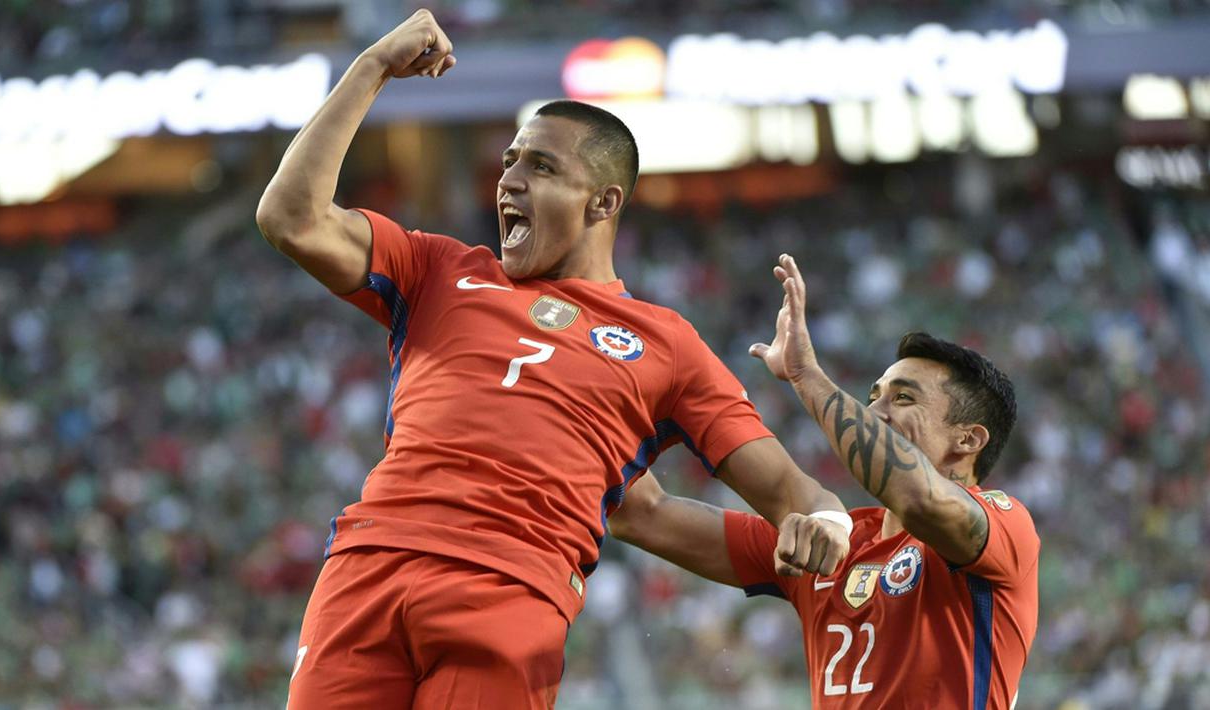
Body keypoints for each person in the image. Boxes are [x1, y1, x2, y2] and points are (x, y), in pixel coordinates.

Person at [255, 10, 852, 709]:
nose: (509, 179)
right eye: (508, 160)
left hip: (510, 592)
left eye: (541, 166)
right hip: (369, 567)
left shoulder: (666, 344)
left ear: (603, 202)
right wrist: (372, 68)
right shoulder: (438, 267)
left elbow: (793, 496)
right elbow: (290, 219)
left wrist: (828, 527)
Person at [612, 254, 1040, 709]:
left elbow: (918, 498)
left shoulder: (1005, 529)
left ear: (968, 438)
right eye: (873, 396)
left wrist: (805, 375)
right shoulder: (834, 540)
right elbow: (640, 514)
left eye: (904, 398)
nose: (874, 412)